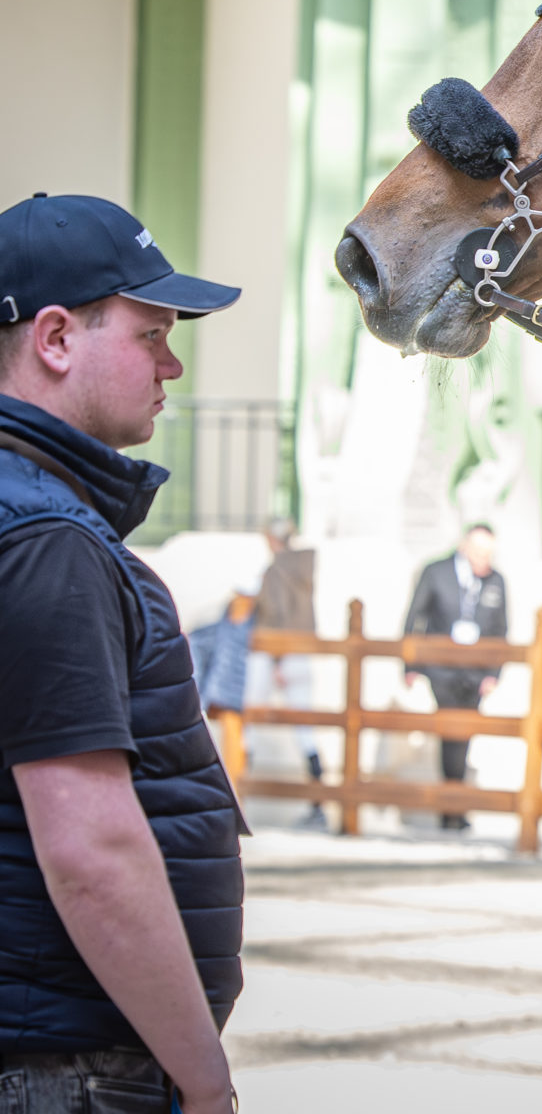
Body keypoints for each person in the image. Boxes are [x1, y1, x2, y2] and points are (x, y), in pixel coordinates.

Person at [0, 193, 245, 1113]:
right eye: (151, 335)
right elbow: (91, 851)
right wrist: (206, 1085)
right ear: (56, 338)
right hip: (60, 1074)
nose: (172, 365)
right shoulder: (46, 538)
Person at [404, 523, 509, 830]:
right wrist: (410, 664)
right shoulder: (436, 572)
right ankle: (451, 807)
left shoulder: (495, 581)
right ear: (464, 546)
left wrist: (494, 673)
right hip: (442, 667)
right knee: (451, 731)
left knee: (464, 735)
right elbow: (415, 616)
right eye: (478, 551)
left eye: (488, 552)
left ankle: (453, 805)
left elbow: (501, 629)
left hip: (476, 671)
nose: (483, 558)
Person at [246, 516, 327, 829]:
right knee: (305, 729)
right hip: (299, 654)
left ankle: (235, 800)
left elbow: (276, 611)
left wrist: (278, 660)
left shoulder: (278, 569)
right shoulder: (302, 567)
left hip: (276, 655)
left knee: (248, 721)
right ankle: (318, 804)